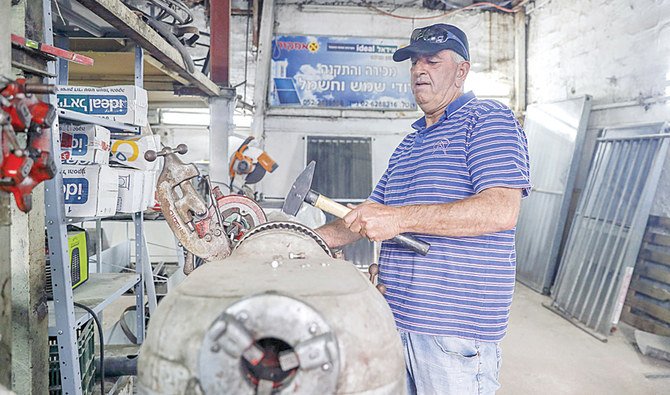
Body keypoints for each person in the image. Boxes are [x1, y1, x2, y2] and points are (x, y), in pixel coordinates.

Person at [315, 23, 531, 395]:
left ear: (461, 70)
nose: (419, 70)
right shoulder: (411, 144)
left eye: (432, 60)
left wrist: (399, 218)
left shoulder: (487, 119)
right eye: (414, 63)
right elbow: (365, 218)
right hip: (396, 322)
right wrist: (295, 240)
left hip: (453, 333)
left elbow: (499, 211)